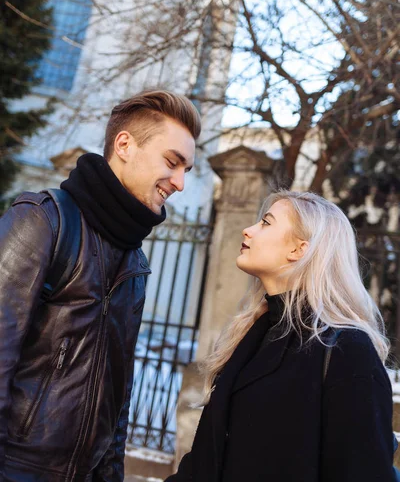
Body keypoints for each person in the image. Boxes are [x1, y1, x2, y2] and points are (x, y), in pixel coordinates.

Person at [0, 89, 200, 481]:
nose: (179, 183)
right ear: (124, 144)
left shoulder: (134, 261)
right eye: (172, 163)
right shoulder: (44, 221)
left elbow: (118, 395)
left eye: (186, 171)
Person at [167, 190, 397, 482]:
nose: (247, 230)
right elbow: (207, 460)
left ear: (299, 249)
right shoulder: (254, 332)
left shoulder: (346, 350)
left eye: (265, 222)